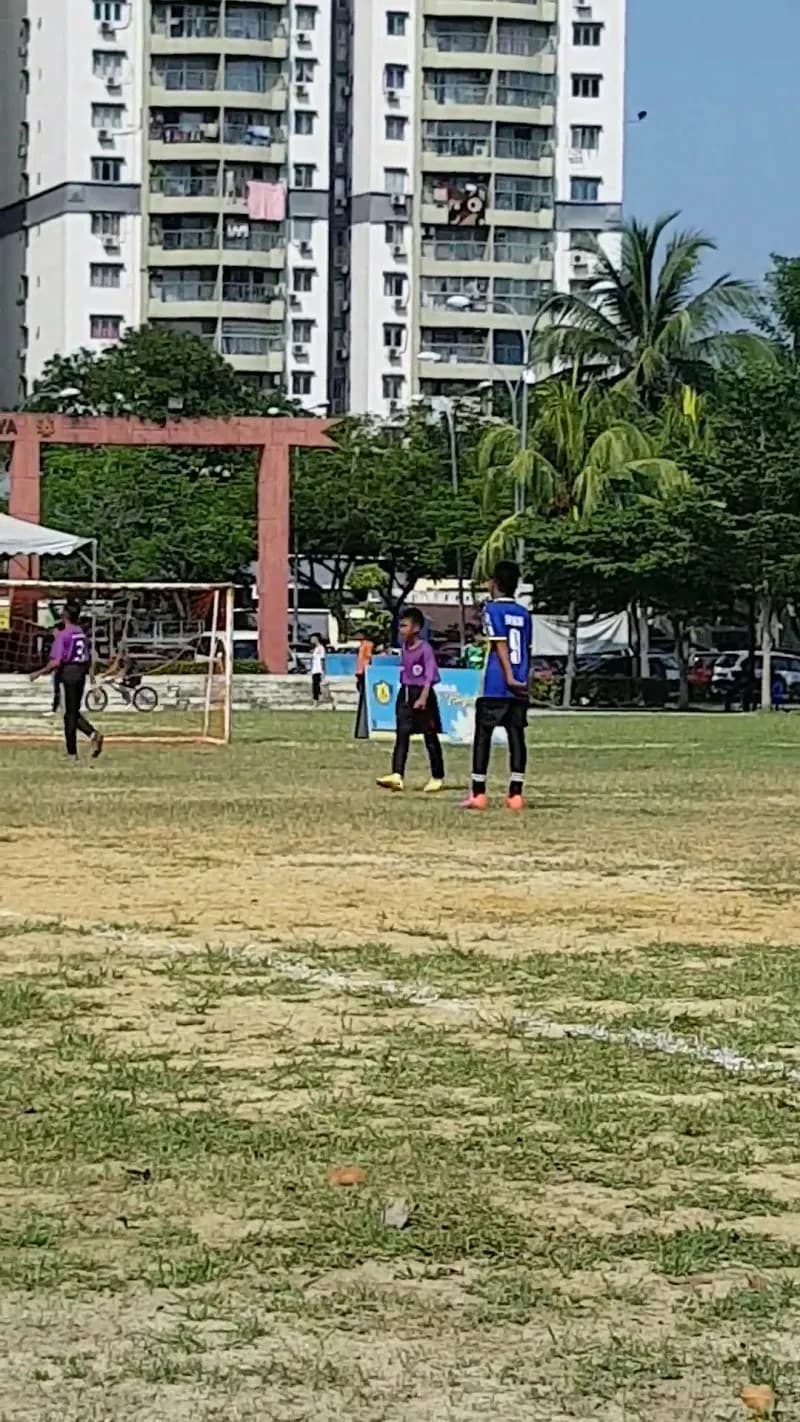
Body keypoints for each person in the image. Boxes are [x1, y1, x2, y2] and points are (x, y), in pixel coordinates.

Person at [462, 560, 531, 812]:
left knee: (484, 736)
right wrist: (522, 678)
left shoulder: (492, 610)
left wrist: (509, 676)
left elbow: (500, 644)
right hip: (520, 682)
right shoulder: (524, 613)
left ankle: (478, 793)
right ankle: (515, 794)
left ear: (495, 584)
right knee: (516, 737)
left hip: (497, 682)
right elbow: (525, 648)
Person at [376, 607, 445, 794]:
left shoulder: (425, 649)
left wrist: (423, 697)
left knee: (429, 736)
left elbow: (430, 674)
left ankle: (437, 776)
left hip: (423, 694)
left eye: (404, 626)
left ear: (416, 628)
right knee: (402, 735)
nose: (401, 630)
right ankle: (397, 775)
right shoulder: (405, 648)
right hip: (405, 693)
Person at [30, 601, 103, 762]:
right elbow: (88, 659)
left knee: (68, 715)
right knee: (73, 711)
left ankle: (72, 753)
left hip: (68, 673)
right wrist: (92, 681)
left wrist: (39, 672)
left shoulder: (64, 635)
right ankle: (92, 734)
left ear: (65, 615)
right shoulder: (81, 634)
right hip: (80, 673)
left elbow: (56, 662)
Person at [355, 628, 374, 699]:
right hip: (360, 669)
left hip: (364, 668)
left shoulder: (368, 644)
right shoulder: (362, 644)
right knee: (359, 685)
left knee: (363, 685)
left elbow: (369, 655)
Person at [309, 633, 326, 707]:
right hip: (314, 671)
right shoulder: (315, 649)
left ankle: (315, 702)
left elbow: (322, 660)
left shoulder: (321, 648)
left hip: (318, 671)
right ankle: (316, 700)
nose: (311, 640)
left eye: (312, 639)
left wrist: (323, 671)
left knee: (316, 687)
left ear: (316, 639)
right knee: (315, 687)